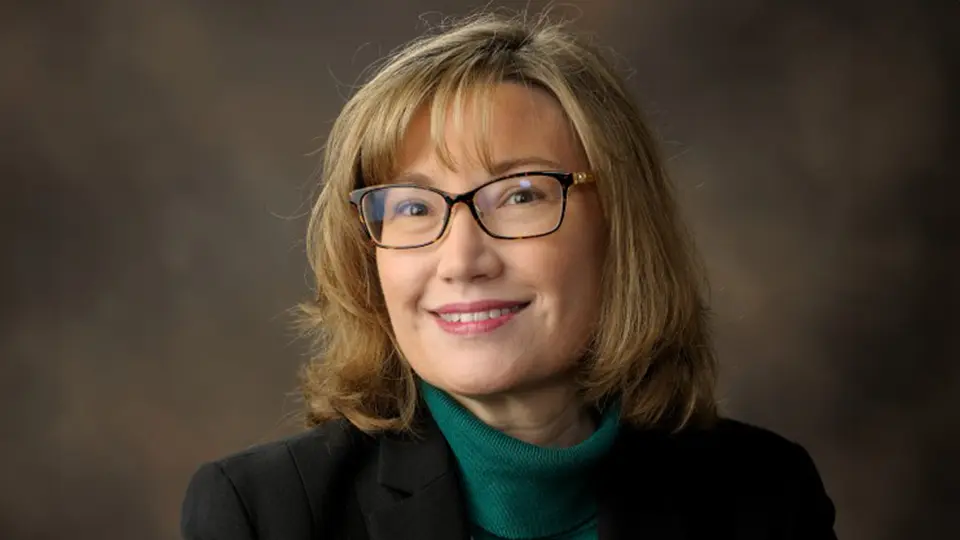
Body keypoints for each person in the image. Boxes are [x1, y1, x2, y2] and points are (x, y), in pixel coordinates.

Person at [180, 10, 837, 540]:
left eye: (520, 195)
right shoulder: (264, 515)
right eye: (412, 206)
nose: (463, 260)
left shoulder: (764, 496)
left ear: (621, 225)